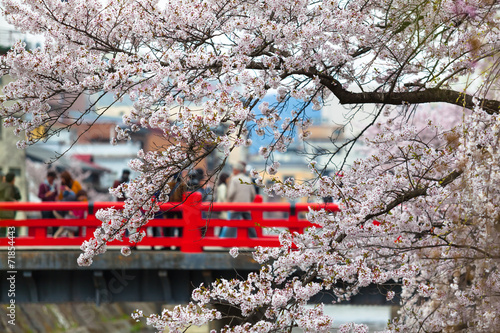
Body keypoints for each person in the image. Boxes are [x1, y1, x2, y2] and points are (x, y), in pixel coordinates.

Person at [220, 162, 256, 238]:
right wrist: (249, 201)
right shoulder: (248, 179)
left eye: (234, 170)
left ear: (237, 170)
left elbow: (231, 193)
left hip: (236, 205)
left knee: (233, 224)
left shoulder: (234, 179)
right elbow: (253, 194)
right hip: (247, 205)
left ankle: (228, 240)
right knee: (249, 224)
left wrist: (228, 202)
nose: (233, 171)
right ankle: (254, 240)